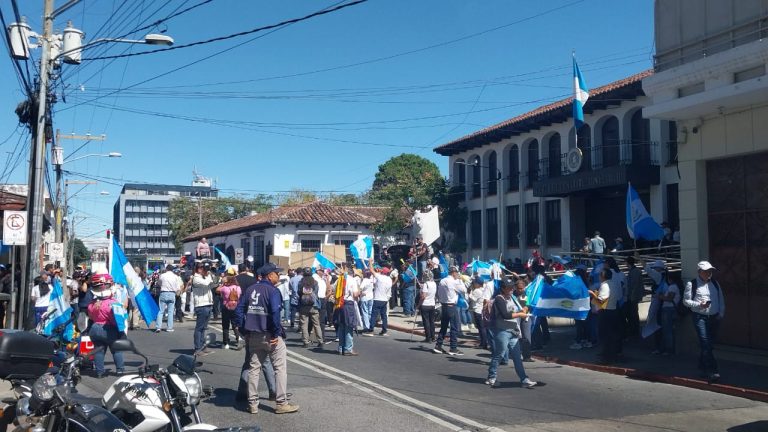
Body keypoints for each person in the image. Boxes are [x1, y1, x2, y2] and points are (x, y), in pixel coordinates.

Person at [234, 263, 299, 415]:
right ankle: (281, 403)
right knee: (280, 368)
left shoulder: (250, 289)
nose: (278, 276)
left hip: (253, 334)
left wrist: (244, 331)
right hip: (270, 335)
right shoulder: (273, 291)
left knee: (253, 369)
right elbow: (275, 313)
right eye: (277, 273)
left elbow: (238, 311)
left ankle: (252, 403)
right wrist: (276, 334)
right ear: (270, 275)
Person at [485, 278, 537, 389]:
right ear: (503, 288)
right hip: (502, 331)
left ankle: (524, 379)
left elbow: (520, 309)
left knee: (517, 356)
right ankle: (491, 376)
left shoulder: (513, 298)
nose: (511, 289)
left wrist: (525, 309)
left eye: (512, 287)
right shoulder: (499, 299)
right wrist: (519, 314)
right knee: (500, 353)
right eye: (508, 287)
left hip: (513, 330)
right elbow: (505, 315)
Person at [683, 261, 725, 382]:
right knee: (705, 343)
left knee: (708, 345)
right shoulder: (692, 284)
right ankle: (712, 370)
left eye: (710, 271)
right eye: (706, 271)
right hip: (700, 317)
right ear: (699, 272)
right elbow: (686, 301)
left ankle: (702, 366)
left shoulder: (715, 284)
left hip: (714, 317)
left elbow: (720, 299)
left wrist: (721, 313)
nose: (709, 273)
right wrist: (699, 305)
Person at [86, 273, 126, 378]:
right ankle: (120, 370)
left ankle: (99, 372)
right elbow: (117, 320)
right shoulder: (113, 303)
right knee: (116, 350)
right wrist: (121, 332)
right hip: (109, 329)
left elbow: (90, 317)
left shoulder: (92, 304)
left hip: (95, 328)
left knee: (99, 351)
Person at [432, 266, 466, 356]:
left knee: (443, 327)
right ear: (454, 273)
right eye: (457, 273)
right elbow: (464, 290)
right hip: (451, 305)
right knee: (454, 327)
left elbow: (439, 293)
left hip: (444, 305)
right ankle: (453, 348)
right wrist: (460, 280)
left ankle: (438, 345)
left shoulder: (442, 281)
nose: (458, 274)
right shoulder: (454, 281)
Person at [653, 271, 681, 356]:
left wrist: (659, 296)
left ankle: (669, 349)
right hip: (670, 309)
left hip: (668, 309)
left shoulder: (672, 287)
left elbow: (669, 298)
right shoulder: (675, 287)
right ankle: (666, 348)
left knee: (667, 330)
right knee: (668, 330)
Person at [191, 261, 215, 356]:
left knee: (204, 328)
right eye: (201, 268)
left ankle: (202, 346)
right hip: (201, 305)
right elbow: (206, 283)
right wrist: (208, 274)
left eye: (203, 268)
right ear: (197, 269)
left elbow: (213, 284)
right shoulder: (196, 278)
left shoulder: (204, 277)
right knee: (199, 328)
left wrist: (209, 275)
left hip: (208, 304)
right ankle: (197, 348)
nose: (204, 269)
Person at [335, 264, 360, 356]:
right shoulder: (352, 280)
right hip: (348, 305)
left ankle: (341, 347)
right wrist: (360, 292)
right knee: (349, 326)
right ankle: (348, 348)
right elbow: (355, 294)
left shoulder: (340, 279)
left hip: (340, 304)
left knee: (342, 326)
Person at [298, 267, 322, 348]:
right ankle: (320, 341)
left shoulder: (301, 282)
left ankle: (305, 342)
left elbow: (299, 293)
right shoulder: (315, 282)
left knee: (304, 324)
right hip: (313, 305)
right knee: (316, 324)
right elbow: (316, 292)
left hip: (304, 305)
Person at [218, 268, 242, 349]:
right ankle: (238, 339)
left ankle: (226, 343)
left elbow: (217, 290)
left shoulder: (224, 288)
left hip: (226, 307)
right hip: (235, 306)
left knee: (225, 325)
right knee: (235, 324)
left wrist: (222, 283)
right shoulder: (238, 288)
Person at [367, 259, 392, 336]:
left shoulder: (380, 277)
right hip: (384, 299)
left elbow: (371, 270)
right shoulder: (389, 280)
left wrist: (370, 262)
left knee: (374, 315)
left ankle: (371, 330)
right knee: (384, 316)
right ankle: (384, 330)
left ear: (382, 272)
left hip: (377, 298)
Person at [156, 265, 180, 333]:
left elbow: (159, 283)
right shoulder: (175, 276)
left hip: (163, 292)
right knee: (170, 312)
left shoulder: (162, 275)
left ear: (166, 269)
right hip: (172, 293)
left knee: (161, 311)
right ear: (172, 270)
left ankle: (158, 327)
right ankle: (169, 327)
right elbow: (178, 287)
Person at [624, 257, 644, 339]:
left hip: (633, 296)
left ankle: (635, 332)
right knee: (633, 314)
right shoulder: (633, 271)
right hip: (632, 296)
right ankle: (634, 331)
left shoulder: (635, 271)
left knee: (634, 315)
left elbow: (635, 285)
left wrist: (632, 296)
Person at [468, 277, 489, 350]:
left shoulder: (477, 290)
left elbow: (472, 298)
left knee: (481, 328)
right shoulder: (484, 289)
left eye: (474, 283)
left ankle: (483, 343)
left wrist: (469, 292)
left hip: (477, 310)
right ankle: (484, 343)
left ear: (477, 284)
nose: (473, 284)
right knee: (482, 327)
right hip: (481, 310)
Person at [417, 273, 437, 343]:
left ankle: (428, 338)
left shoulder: (426, 284)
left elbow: (423, 296)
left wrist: (418, 305)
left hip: (425, 304)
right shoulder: (434, 283)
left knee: (426, 322)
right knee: (432, 321)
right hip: (432, 304)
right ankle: (433, 337)